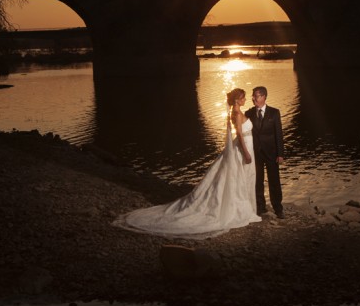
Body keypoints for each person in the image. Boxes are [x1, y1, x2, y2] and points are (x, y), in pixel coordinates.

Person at [112, 88, 261, 239]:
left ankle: (241, 205)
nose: (245, 100)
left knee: (242, 176)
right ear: (237, 100)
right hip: (244, 148)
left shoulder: (237, 112)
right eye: (243, 98)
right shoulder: (236, 114)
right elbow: (240, 136)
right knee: (239, 176)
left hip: (246, 146)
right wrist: (246, 152)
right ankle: (236, 207)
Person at [245, 85, 285, 218]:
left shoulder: (274, 112)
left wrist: (280, 154)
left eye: (255, 96)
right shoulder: (249, 113)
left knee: (274, 181)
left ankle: (278, 208)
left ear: (263, 97)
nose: (253, 98)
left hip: (272, 153)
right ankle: (260, 207)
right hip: (256, 153)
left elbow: (278, 134)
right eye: (253, 96)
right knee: (258, 180)